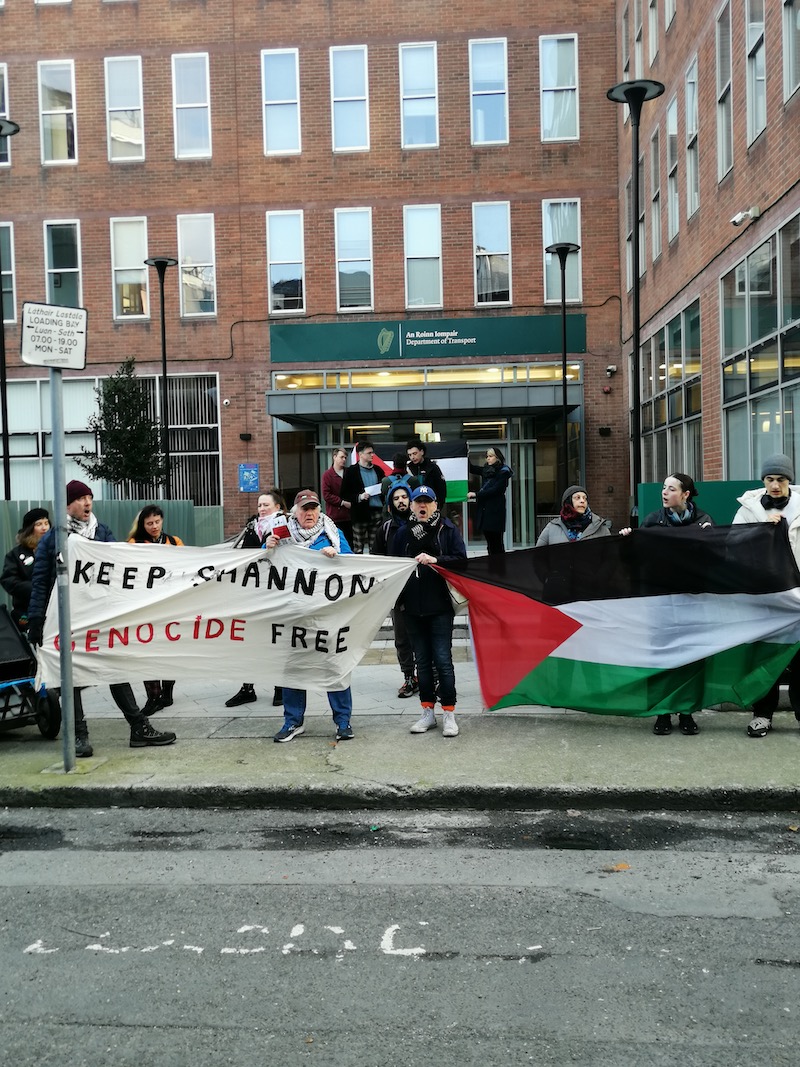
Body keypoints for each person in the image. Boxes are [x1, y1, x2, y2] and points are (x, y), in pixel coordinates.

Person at [27, 480, 177, 755]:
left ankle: (138, 727)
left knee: (114, 667)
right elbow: (40, 583)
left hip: (100, 615)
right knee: (71, 676)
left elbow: (119, 570)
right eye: (81, 498)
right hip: (67, 619)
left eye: (90, 497)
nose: (87, 503)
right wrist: (36, 620)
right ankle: (79, 735)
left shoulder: (101, 532)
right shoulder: (53, 538)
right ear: (67, 504)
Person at [265, 489, 355, 743]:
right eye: (305, 509)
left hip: (326, 616)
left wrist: (336, 557)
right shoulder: (282, 534)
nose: (310, 513)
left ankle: (343, 722)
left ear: (319, 510)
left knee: (334, 667)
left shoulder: (332, 534)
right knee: (293, 670)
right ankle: (293, 722)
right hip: (294, 616)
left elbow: (352, 564)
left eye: (314, 508)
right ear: (295, 512)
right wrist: (267, 546)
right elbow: (262, 564)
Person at [636, 473, 713, 737]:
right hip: (661, 602)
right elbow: (637, 558)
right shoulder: (652, 521)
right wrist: (628, 539)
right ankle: (663, 712)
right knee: (662, 655)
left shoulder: (704, 521)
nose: (664, 492)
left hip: (692, 601)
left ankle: (687, 712)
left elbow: (717, 558)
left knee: (690, 657)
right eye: (663, 488)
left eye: (671, 488)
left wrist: (709, 540)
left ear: (685, 494)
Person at [732, 453, 800, 738]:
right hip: (764, 598)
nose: (775, 485)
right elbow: (733, 545)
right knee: (764, 659)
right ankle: (762, 715)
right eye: (770, 479)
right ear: (763, 481)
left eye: (781, 479)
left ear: (789, 480)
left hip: (797, 598)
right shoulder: (749, 510)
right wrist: (761, 531)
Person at [393, 485, 467, 738]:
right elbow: (392, 565)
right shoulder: (402, 533)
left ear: (436, 505)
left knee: (443, 661)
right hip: (412, 608)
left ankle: (449, 713)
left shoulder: (447, 530)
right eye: (418, 502)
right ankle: (427, 712)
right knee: (422, 663)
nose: (422, 506)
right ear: (412, 506)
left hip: (440, 608)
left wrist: (437, 560)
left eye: (427, 501)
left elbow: (461, 561)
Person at [226, 490, 286, 708]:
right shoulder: (251, 528)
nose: (261, 509)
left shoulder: (285, 527)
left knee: (276, 641)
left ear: (278, 507)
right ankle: (247, 688)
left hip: (277, 591)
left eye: (266, 505)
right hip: (254, 592)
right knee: (250, 641)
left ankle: (280, 687)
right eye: (259, 505)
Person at [127, 505, 184, 716]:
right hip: (146, 606)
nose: (154, 526)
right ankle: (153, 696)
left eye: (157, 521)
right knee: (147, 651)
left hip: (170, 605)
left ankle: (167, 692)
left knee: (170, 650)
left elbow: (187, 566)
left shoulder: (174, 542)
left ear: (162, 520)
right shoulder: (134, 544)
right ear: (142, 524)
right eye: (149, 523)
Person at [373, 483, 418, 699]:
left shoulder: (421, 524)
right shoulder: (385, 529)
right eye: (396, 498)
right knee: (402, 638)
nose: (401, 501)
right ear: (390, 504)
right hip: (397, 593)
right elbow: (377, 560)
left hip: (421, 590)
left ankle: (430, 677)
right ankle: (409, 677)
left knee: (423, 637)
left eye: (404, 497)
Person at [1, 508, 51, 632]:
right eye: (39, 524)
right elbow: (8, 580)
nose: (44, 528)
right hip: (25, 612)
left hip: (53, 610)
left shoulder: (56, 550)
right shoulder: (15, 554)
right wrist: (35, 589)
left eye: (46, 523)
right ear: (29, 529)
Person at [467, 447, 513, 554]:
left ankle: (499, 564)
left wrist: (476, 494)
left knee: (497, 543)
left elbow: (496, 490)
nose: (488, 458)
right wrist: (466, 455)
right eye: (487, 456)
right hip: (485, 511)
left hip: (496, 511)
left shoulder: (503, 472)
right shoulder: (486, 470)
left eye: (491, 456)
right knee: (489, 543)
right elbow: (471, 468)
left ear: (497, 458)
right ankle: (492, 563)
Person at [341, 439, 384, 553]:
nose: (372, 455)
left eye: (372, 452)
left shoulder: (378, 470)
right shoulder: (351, 471)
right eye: (369, 453)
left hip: (377, 512)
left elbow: (384, 488)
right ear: (360, 454)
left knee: (375, 547)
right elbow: (344, 494)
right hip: (360, 512)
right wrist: (359, 497)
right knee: (358, 547)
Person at [536, 485, 612, 546]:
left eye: (585, 498)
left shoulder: (600, 527)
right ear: (568, 501)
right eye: (577, 498)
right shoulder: (552, 527)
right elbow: (538, 556)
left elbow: (611, 556)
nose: (582, 501)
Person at [321, 447, 353, 547]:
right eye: (341, 457)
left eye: (345, 458)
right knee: (337, 543)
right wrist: (342, 502)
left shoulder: (349, 473)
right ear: (334, 457)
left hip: (349, 516)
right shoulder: (327, 475)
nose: (344, 460)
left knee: (350, 543)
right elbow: (326, 495)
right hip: (335, 516)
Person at [405, 439, 447, 508]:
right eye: (410, 455)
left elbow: (441, 489)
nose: (412, 457)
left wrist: (438, 507)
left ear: (422, 452)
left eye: (415, 453)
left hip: (431, 505)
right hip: (414, 507)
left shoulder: (432, 467)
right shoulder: (408, 469)